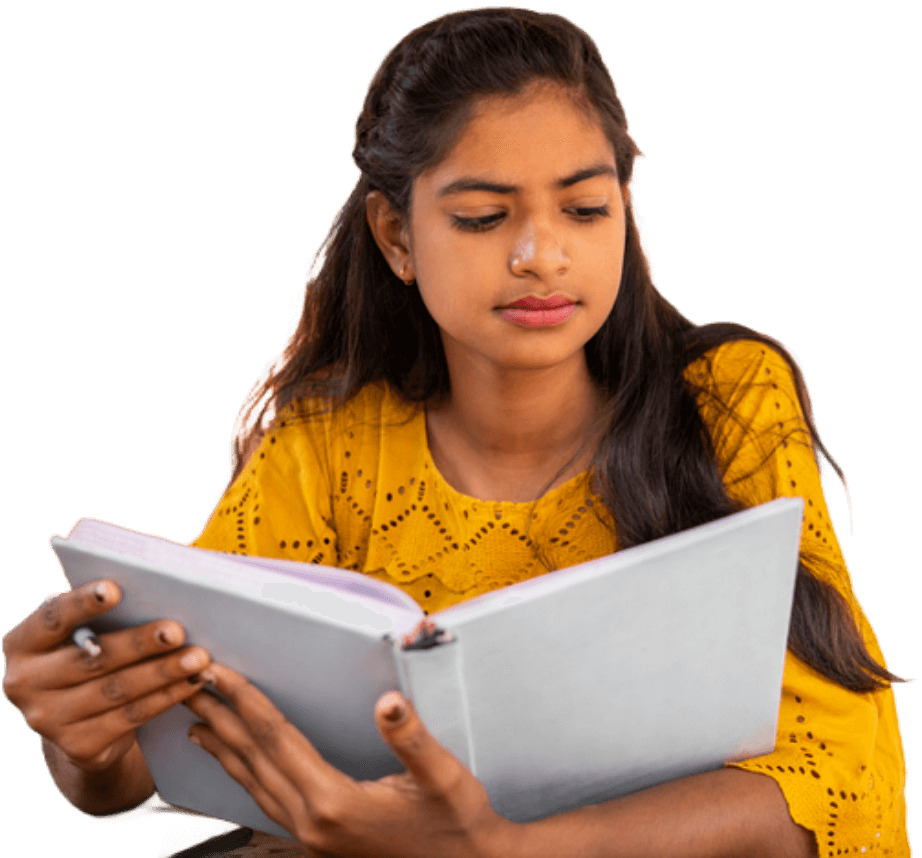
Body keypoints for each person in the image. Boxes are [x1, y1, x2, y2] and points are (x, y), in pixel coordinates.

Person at [2, 8, 913, 857]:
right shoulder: (330, 434)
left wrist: (501, 849)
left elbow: (838, 777)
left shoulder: (726, 400)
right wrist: (88, 741)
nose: (541, 256)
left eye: (586, 209)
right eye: (483, 217)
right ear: (397, 236)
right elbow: (177, 747)